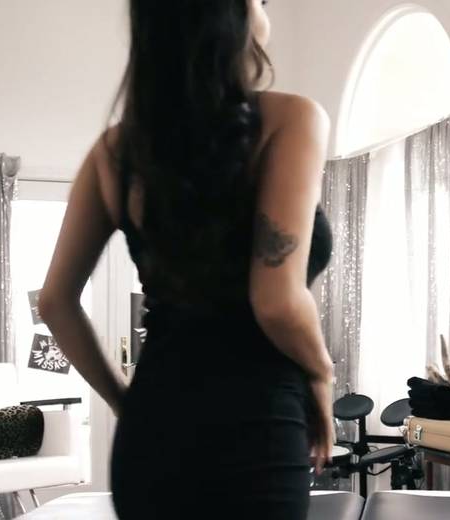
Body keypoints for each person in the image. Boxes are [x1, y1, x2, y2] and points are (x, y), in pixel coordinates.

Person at [37, 0, 336, 517]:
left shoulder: (114, 152)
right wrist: (322, 374)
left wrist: (125, 402)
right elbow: (277, 301)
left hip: (152, 430)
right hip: (255, 427)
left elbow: (55, 303)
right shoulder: (292, 119)